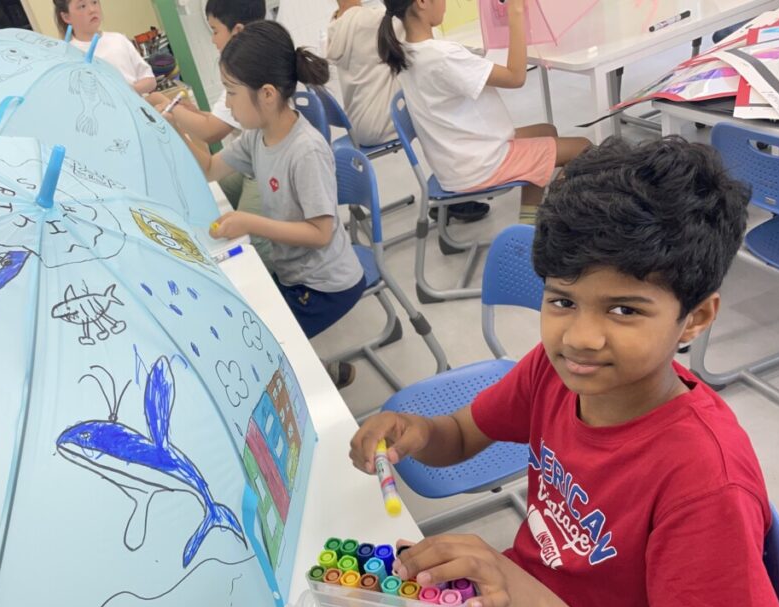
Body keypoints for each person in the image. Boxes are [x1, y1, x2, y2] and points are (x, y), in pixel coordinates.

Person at [350, 137, 779, 607]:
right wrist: (418, 430)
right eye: (562, 300)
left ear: (694, 319)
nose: (580, 337)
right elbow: (462, 437)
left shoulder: (704, 481)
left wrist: (529, 602)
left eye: (624, 309)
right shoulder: (557, 375)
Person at [186, 21, 365, 387]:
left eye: (231, 93)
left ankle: (314, 372)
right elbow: (210, 168)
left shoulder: (305, 151)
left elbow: (321, 233)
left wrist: (249, 222)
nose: (227, 103)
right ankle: (319, 368)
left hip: (326, 286)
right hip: (294, 275)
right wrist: (173, 126)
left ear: (267, 94)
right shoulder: (258, 136)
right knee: (244, 318)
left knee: (257, 344)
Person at [379, 0, 590, 224]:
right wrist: (516, 14)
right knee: (584, 148)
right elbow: (516, 77)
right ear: (422, 2)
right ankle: (553, 222)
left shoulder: (406, 51)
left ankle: (528, 221)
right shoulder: (442, 56)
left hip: (455, 159)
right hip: (481, 163)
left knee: (546, 131)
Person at [328, 0, 487, 224]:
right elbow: (415, 22)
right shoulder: (370, 21)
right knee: (437, 107)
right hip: (378, 122)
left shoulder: (336, 23)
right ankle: (457, 191)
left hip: (358, 122)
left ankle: (454, 190)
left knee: (428, 93)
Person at [147, 0, 273, 260]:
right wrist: (187, 116)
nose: (213, 39)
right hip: (250, 159)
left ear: (237, 31)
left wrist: (172, 111)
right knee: (213, 198)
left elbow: (212, 130)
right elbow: (213, 143)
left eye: (215, 30)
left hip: (262, 168)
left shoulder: (252, 75)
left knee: (251, 242)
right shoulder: (250, 130)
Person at [53, 0, 157, 94]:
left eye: (94, 2)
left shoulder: (118, 39)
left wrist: (128, 92)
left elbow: (150, 79)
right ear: (66, 17)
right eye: (82, 6)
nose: (92, 10)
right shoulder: (68, 55)